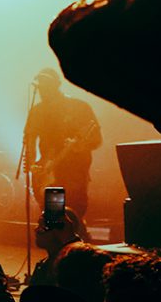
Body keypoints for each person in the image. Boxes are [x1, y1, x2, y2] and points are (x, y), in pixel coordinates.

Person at [23, 68, 102, 220]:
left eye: (47, 84)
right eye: (41, 84)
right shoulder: (37, 111)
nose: (42, 88)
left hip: (74, 175)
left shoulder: (79, 107)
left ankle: (78, 243)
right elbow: (30, 140)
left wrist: (81, 146)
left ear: (56, 85)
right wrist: (34, 166)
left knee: (73, 219)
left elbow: (97, 138)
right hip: (49, 175)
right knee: (53, 221)